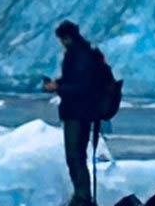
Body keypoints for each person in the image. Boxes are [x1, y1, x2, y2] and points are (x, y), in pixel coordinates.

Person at [43, 20, 96, 206]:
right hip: (83, 112)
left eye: (62, 39)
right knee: (78, 155)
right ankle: (83, 196)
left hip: (77, 113)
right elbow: (76, 81)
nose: (61, 43)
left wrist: (58, 86)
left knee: (75, 155)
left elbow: (81, 86)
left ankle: (82, 198)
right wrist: (58, 84)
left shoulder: (78, 56)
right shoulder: (83, 54)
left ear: (67, 37)